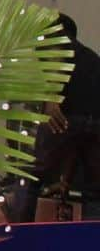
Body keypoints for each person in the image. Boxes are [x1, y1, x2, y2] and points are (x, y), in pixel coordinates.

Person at [34, 13, 100, 217]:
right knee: (91, 194)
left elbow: (56, 57)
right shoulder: (91, 57)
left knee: (33, 178)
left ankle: (20, 229)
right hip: (92, 130)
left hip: (69, 124)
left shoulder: (57, 45)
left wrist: (50, 98)